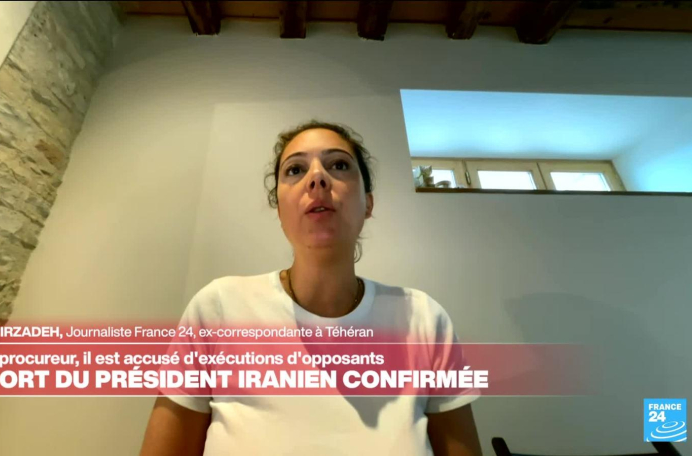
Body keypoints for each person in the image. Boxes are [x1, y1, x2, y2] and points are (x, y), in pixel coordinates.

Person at [139, 121, 482, 456]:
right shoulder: (217, 309)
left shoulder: (423, 318)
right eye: (295, 170)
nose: (317, 178)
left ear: (368, 203)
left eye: (339, 165)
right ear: (279, 209)